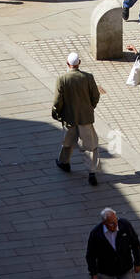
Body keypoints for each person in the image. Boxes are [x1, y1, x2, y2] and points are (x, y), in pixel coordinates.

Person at [52, 52, 101, 185]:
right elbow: (95, 96)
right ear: (79, 63)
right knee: (90, 146)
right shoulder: (88, 77)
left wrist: (56, 113)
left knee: (67, 142)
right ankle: (92, 172)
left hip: (69, 118)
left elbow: (57, 101)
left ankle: (64, 163)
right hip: (85, 117)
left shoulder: (62, 79)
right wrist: (90, 107)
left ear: (67, 64)